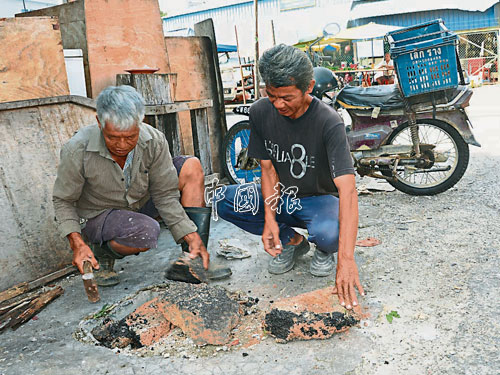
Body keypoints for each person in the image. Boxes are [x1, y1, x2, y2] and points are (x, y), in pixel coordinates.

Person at [218, 44, 364, 309]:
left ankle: (324, 249)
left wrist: (346, 260)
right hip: (283, 197)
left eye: (286, 97)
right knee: (224, 200)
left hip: (319, 200)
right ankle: (292, 241)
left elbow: (348, 191)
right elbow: (268, 169)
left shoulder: (328, 121)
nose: (278, 104)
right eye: (271, 95)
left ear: (308, 87)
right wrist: (270, 220)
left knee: (331, 233)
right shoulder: (260, 112)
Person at [53, 85, 228, 286]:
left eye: (130, 137)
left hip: (138, 202)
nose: (121, 145)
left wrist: (191, 235)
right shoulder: (77, 149)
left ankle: (194, 259)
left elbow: (165, 195)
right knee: (146, 232)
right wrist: (77, 243)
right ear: (99, 123)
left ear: (140, 123)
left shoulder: (154, 140)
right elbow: (63, 200)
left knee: (191, 166)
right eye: (112, 137)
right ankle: (100, 250)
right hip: (100, 215)